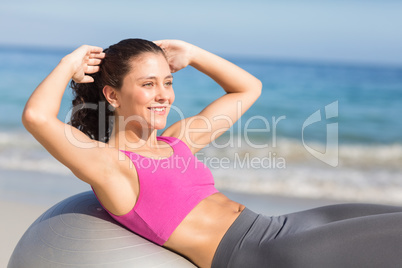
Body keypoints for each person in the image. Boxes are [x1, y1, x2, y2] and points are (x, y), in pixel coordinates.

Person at [22, 38, 402, 268]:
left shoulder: (176, 141)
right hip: (261, 255)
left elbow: (247, 89)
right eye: (148, 84)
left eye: (168, 82)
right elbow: (37, 117)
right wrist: (67, 64)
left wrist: (193, 53)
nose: (164, 95)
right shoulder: (110, 166)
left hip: (284, 226)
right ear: (112, 95)